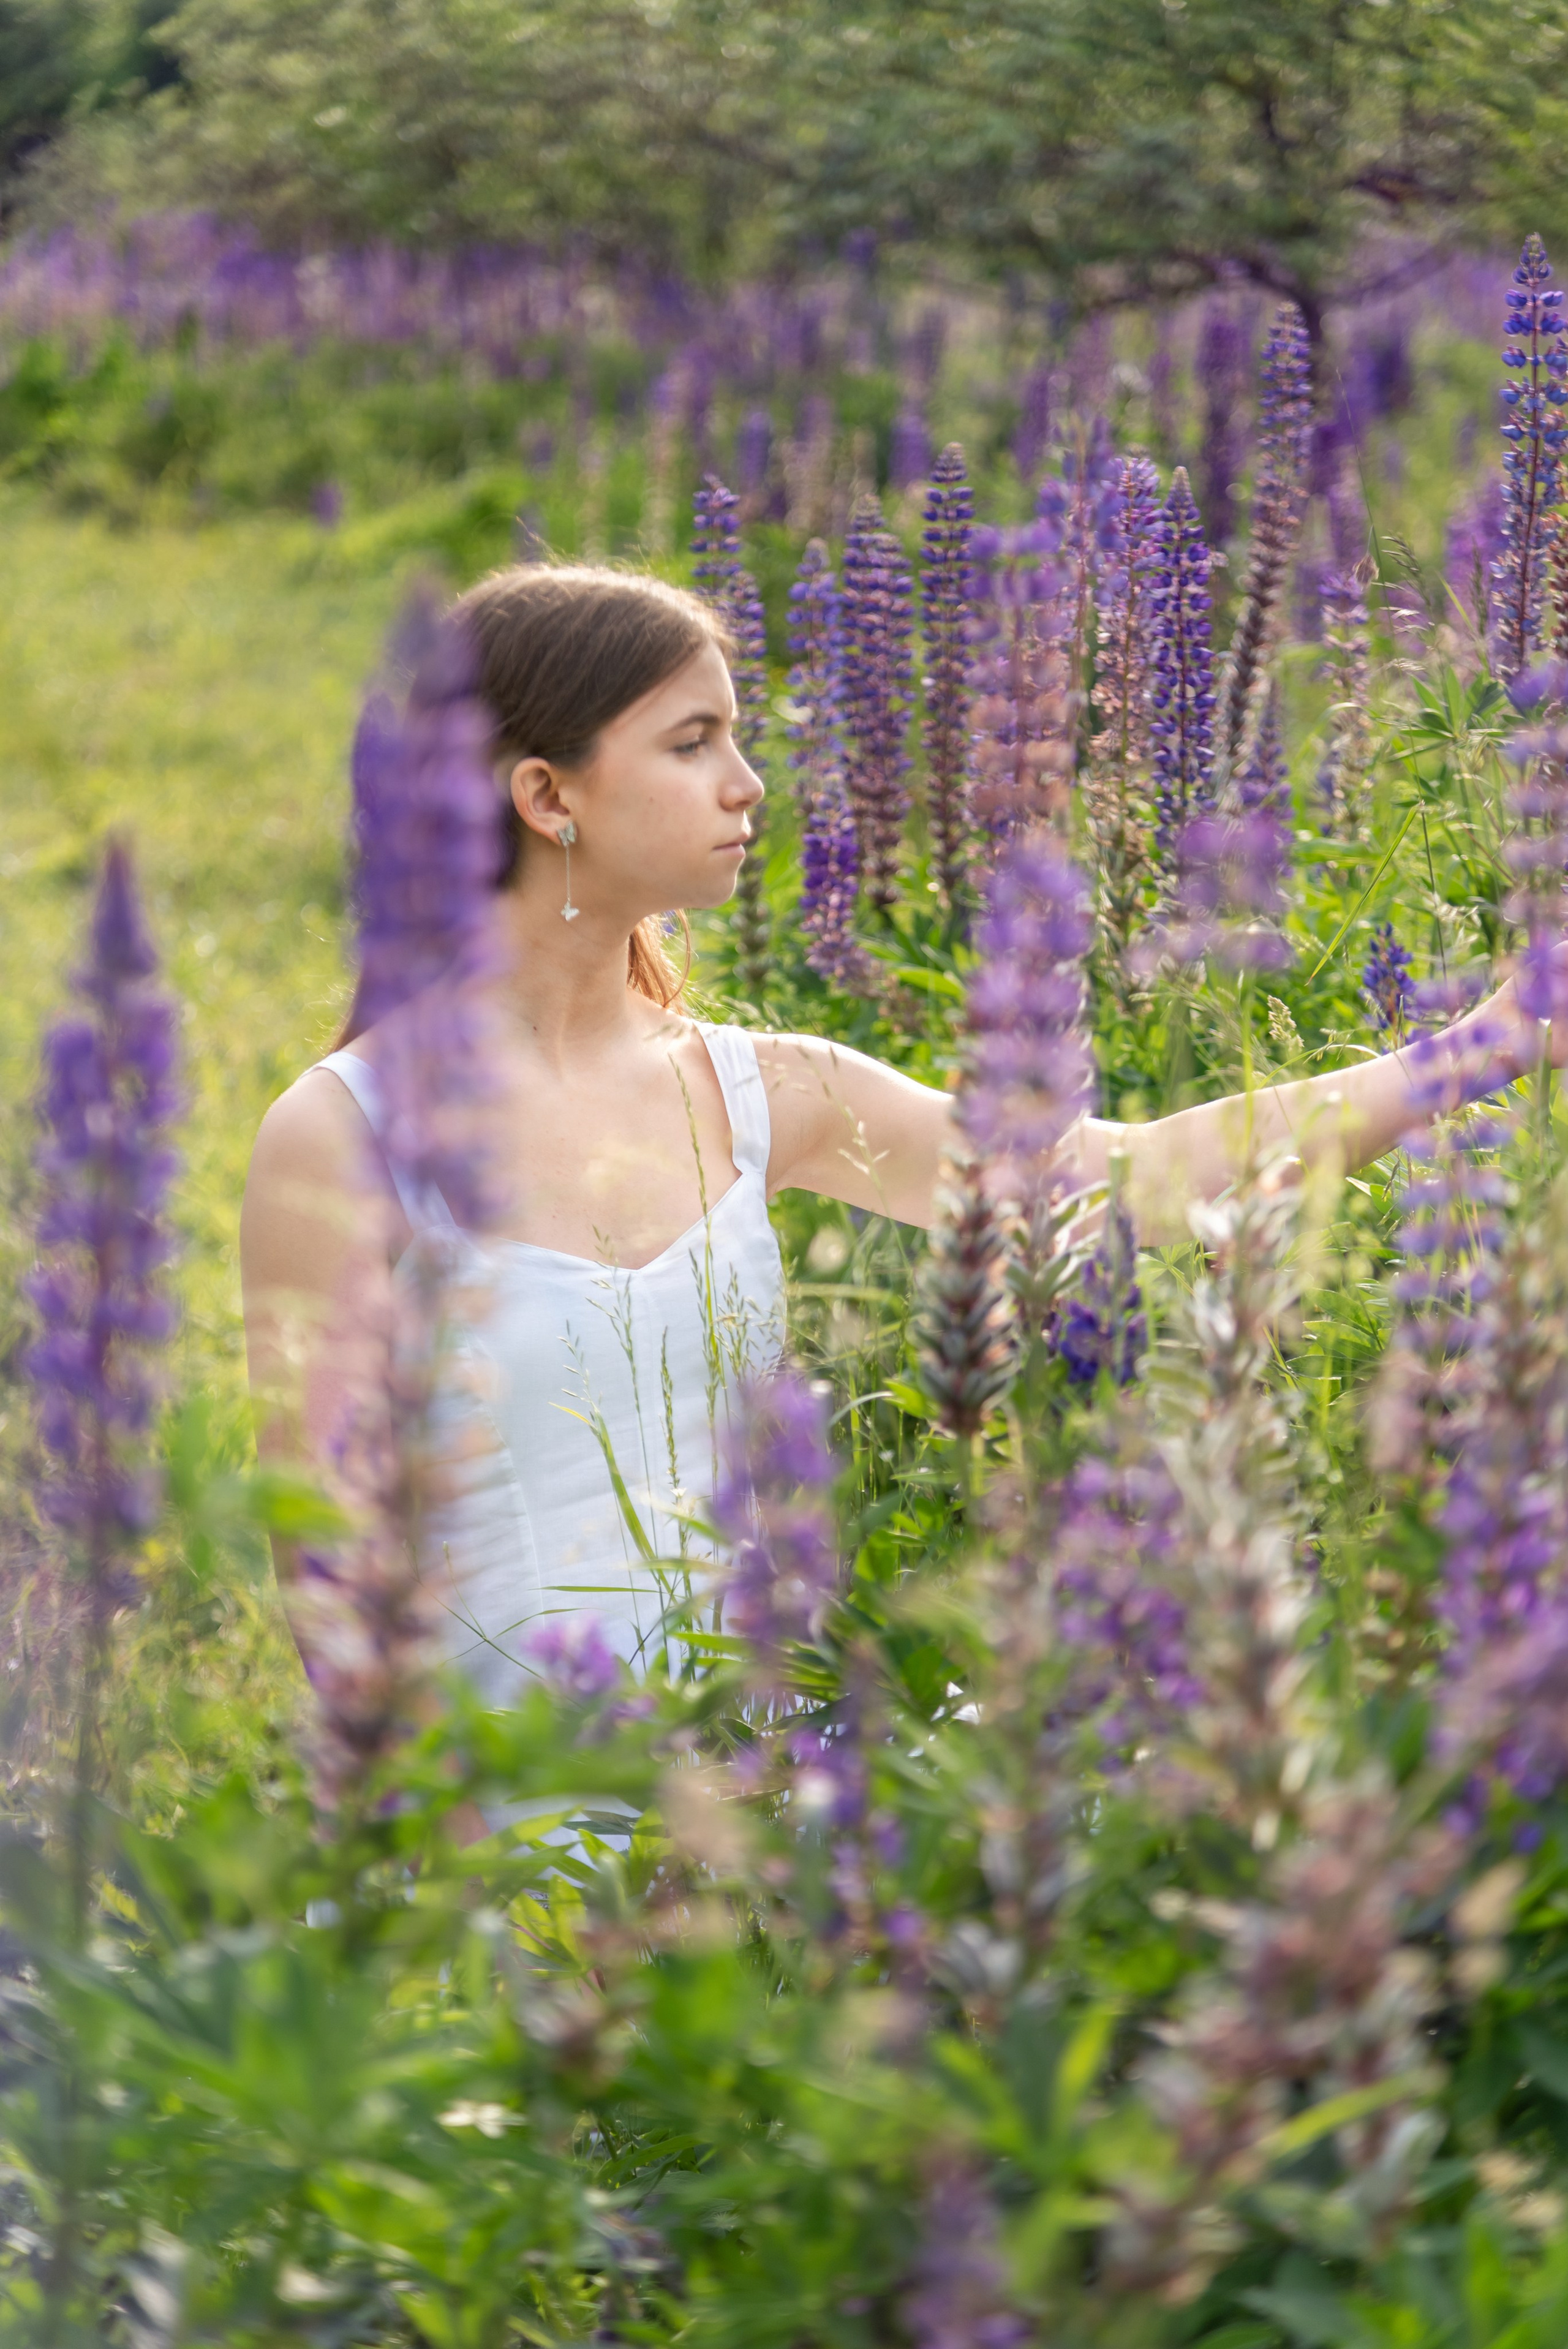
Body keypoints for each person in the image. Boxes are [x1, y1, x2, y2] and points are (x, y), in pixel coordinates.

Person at [240, 562, 1557, 1712]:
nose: (747, 785)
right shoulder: (349, 1137)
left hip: (767, 1820)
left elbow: (1140, 1178)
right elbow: (328, 1580)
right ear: (547, 793)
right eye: (692, 742)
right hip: (499, 1864)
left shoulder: (764, 1088)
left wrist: (1492, 1038)